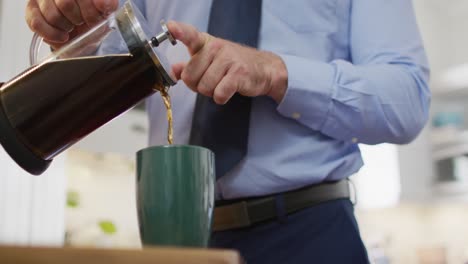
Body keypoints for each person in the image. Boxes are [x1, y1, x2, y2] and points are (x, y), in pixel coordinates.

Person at [26, 0, 430, 263]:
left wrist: (276, 71)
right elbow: (111, 57)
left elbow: (408, 99)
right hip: (177, 240)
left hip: (311, 237)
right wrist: (72, 31)